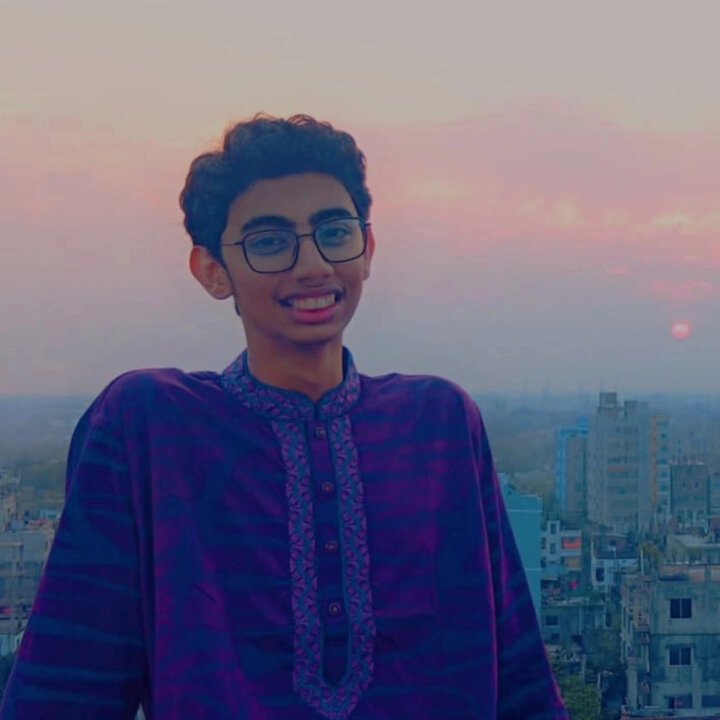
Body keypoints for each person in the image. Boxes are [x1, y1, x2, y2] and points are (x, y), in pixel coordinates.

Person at [0, 114, 568, 719]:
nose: (313, 264)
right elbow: (66, 687)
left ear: (368, 251)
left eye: (335, 232)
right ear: (212, 271)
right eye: (270, 242)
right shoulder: (150, 427)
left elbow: (520, 680)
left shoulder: (439, 426)